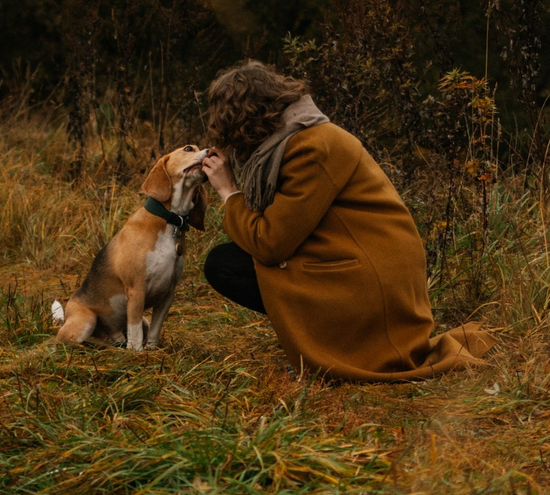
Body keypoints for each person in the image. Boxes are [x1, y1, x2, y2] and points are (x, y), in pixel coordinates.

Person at [197, 61, 493, 382]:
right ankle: (324, 336)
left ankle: (336, 348)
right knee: (229, 261)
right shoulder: (294, 138)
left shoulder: (312, 147)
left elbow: (270, 244)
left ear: (247, 119)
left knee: (225, 265)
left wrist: (228, 191)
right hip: (354, 260)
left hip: (370, 278)